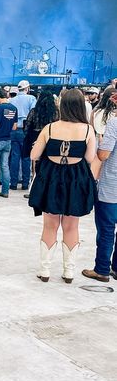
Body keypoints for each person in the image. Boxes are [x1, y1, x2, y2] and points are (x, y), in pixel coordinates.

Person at [28, 89, 97, 284]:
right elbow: (90, 158)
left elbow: (34, 155)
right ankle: (69, 272)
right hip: (76, 180)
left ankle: (45, 270)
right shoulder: (87, 130)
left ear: (62, 105)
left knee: (50, 225)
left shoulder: (49, 128)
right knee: (71, 225)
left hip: (51, 179)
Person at [82, 91, 117, 282]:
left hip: (112, 183)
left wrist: (100, 146)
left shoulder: (114, 123)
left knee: (106, 228)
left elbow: (103, 155)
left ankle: (102, 269)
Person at [10, 80, 36, 191]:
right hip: (26, 131)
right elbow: (33, 114)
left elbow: (9, 116)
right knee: (26, 158)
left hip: (14, 130)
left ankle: (13, 183)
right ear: (27, 88)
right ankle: (25, 183)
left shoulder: (12, 100)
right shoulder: (31, 99)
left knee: (15, 157)